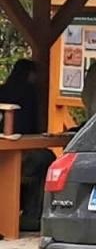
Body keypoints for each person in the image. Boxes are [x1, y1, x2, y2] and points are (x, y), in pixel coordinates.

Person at [0, 58, 54, 230]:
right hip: (21, 151)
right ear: (30, 74)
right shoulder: (29, 92)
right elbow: (31, 125)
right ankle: (33, 215)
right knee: (47, 159)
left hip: (6, 151)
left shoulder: (3, 90)